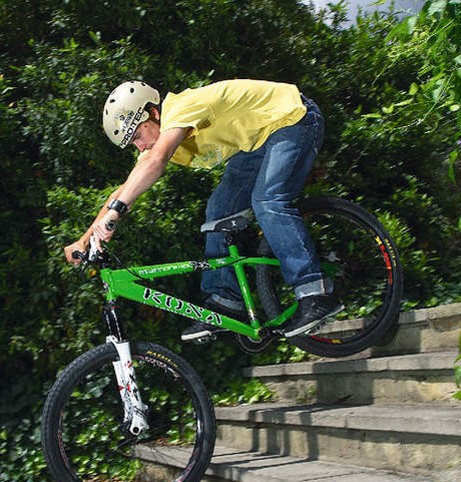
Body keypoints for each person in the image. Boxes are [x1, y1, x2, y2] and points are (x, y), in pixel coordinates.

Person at [65, 79, 343, 342]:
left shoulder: (181, 107)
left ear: (154, 112)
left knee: (267, 201)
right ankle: (225, 302)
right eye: (132, 144)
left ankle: (315, 292)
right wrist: (86, 237)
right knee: (218, 212)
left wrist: (115, 214)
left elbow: (156, 162)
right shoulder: (155, 139)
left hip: (294, 118)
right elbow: (123, 191)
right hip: (254, 145)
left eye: (138, 135)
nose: (140, 146)